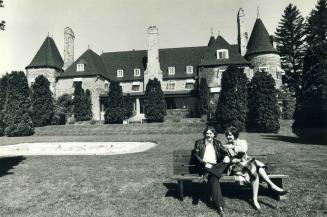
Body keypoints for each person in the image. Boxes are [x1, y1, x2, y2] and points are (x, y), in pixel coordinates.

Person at [223, 126, 288, 210]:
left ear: (235, 135)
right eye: (227, 135)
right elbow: (227, 158)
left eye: (230, 135)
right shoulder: (225, 146)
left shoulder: (242, 142)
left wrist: (232, 147)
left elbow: (243, 149)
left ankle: (255, 200)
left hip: (248, 165)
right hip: (237, 167)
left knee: (255, 170)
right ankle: (271, 185)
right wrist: (234, 158)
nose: (228, 137)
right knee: (255, 165)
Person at [193, 126, 230, 217]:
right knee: (214, 178)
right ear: (205, 134)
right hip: (204, 165)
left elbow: (224, 152)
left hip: (215, 166)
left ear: (214, 134)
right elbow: (196, 155)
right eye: (207, 133)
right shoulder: (199, 143)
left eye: (210, 133)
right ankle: (220, 207)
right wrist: (204, 163)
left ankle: (209, 174)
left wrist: (226, 156)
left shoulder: (218, 143)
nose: (208, 135)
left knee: (226, 161)